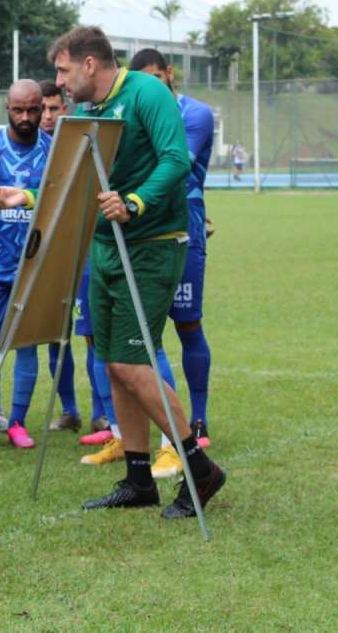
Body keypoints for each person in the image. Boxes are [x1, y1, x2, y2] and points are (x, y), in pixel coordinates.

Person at [28, 26, 223, 519]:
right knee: (114, 363)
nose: (59, 82)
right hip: (105, 249)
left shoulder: (146, 92)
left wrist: (135, 201)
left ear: (89, 64)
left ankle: (199, 468)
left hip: (152, 246)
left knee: (136, 364)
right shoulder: (87, 112)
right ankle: (139, 479)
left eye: (63, 70)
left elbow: (177, 159)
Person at [0, 80, 79, 450]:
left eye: (34, 109)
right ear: (7, 108)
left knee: (27, 346)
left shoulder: (53, 151)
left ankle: (17, 422)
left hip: (33, 267)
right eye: (19, 110)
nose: (28, 117)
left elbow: (62, 203)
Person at [129, 48, 215, 479]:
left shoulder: (195, 114)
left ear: (168, 73)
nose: (149, 87)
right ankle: (162, 434)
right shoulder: (138, 109)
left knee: (189, 325)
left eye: (154, 78)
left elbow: (174, 161)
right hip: (144, 226)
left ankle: (196, 422)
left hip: (184, 227)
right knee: (147, 334)